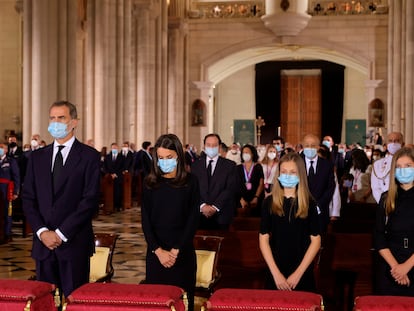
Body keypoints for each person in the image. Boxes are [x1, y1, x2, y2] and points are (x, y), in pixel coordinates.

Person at [22, 101, 101, 299]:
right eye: (52, 118)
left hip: (73, 243)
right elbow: (29, 198)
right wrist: (42, 232)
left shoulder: (89, 156)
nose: (55, 122)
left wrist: (61, 233)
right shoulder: (37, 157)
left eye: (61, 118)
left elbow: (89, 201)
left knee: (74, 300)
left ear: (74, 122)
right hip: (43, 245)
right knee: (44, 301)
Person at [141, 134, 200, 311]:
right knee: (157, 304)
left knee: (182, 303)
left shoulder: (191, 182)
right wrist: (158, 251)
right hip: (156, 255)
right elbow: (145, 221)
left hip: (182, 254)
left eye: (169, 157)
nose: (164, 161)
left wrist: (176, 250)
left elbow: (193, 219)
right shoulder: (149, 182)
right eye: (160, 158)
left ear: (178, 157)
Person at [259, 152, 321, 292]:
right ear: (278, 174)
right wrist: (276, 274)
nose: (288, 176)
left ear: (300, 175)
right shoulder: (269, 202)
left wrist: (298, 274)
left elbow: (316, 241)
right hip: (275, 268)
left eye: (292, 172)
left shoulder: (309, 204)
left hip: (302, 269)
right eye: (284, 172)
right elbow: (263, 238)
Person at [374, 147, 414, 296]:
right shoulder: (386, 198)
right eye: (398, 167)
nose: (403, 171)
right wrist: (396, 267)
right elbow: (379, 237)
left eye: (408, 166)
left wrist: (406, 267)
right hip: (390, 265)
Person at [191, 133, 238, 230]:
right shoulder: (196, 166)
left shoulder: (230, 166)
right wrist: (202, 206)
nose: (211, 148)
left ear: (219, 147)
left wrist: (215, 207)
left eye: (214, 145)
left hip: (221, 215)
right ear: (204, 146)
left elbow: (230, 189)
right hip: (199, 216)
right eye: (208, 145)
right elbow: (192, 188)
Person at [302, 134, 335, 232]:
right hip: (300, 210)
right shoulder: (296, 163)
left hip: (320, 211)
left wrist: (319, 205)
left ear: (318, 147)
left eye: (313, 145)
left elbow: (330, 188)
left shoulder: (327, 165)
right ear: (303, 147)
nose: (310, 148)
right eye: (307, 145)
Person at [371, 132, 404, 203]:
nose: (394, 143)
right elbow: (375, 188)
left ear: (403, 144)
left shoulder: (408, 163)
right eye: (390, 141)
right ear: (386, 145)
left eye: (397, 140)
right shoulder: (378, 164)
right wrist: (385, 203)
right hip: (384, 202)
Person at [237, 144, 264, 217]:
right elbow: (236, 185)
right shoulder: (238, 168)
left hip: (256, 198)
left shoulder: (258, 167)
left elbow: (261, 184)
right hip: (242, 199)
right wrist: (241, 199)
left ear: (252, 154)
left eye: (247, 152)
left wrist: (256, 197)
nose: (245, 154)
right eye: (243, 152)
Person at [0, 142, 20, 243]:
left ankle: (7, 234)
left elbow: (16, 176)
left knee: (7, 212)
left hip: (6, 190)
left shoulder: (11, 161)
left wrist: (16, 191)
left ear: (6, 150)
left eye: (1, 148)